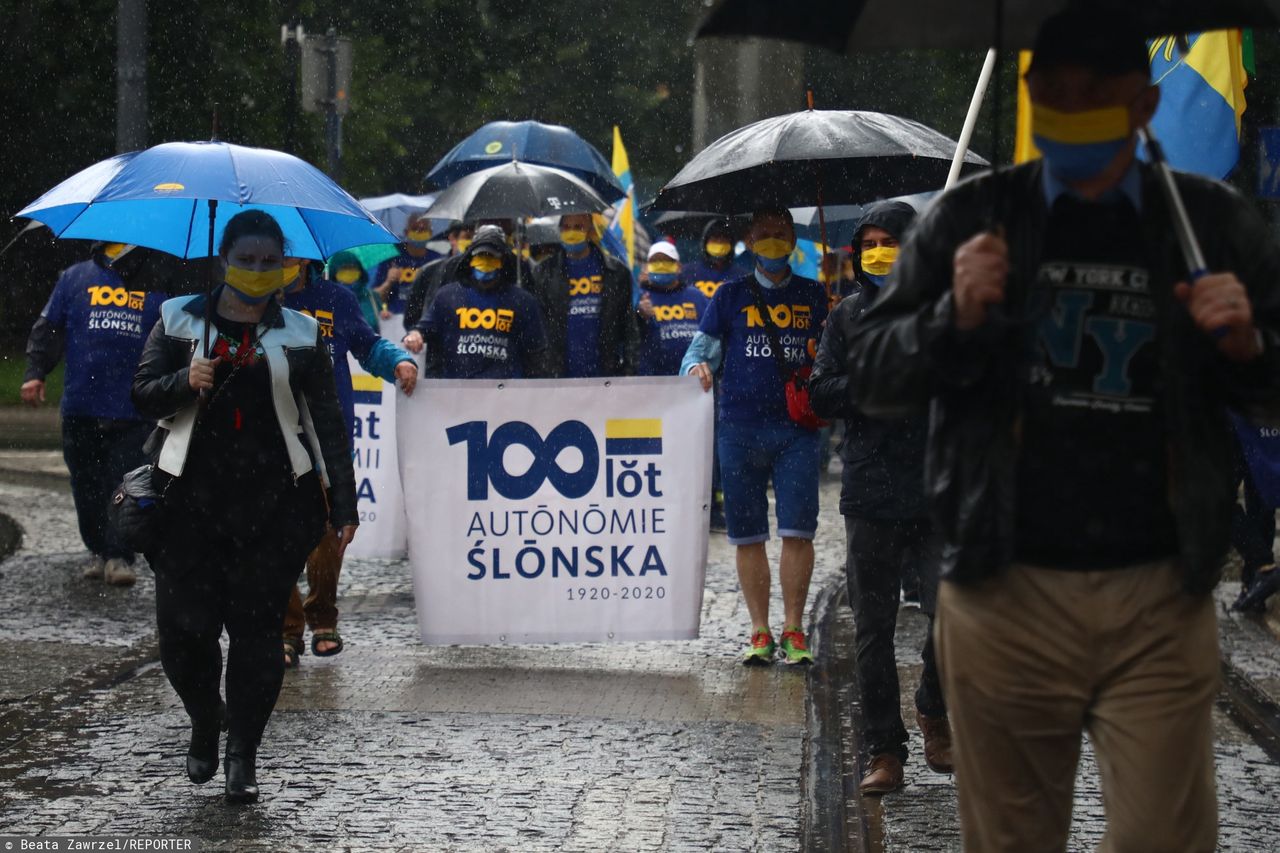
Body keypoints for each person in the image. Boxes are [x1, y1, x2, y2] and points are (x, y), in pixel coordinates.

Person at [844, 10, 1280, 850]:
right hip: (1003, 593)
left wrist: (1247, 344)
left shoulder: (1210, 225)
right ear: (1033, 94)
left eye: (1099, 96)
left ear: (1144, 104)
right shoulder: (967, 220)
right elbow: (871, 375)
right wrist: (950, 315)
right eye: (1059, 93)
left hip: (1158, 593)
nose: (1075, 110)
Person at [132, 210, 358, 804]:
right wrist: (186, 379)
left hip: (273, 508)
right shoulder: (178, 318)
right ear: (224, 260)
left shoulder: (305, 333)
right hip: (187, 507)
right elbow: (141, 394)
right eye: (246, 260)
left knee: (257, 634)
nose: (258, 273)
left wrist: (345, 507)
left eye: (269, 262)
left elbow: (328, 425)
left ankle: (243, 755)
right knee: (184, 635)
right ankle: (207, 722)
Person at [809, 200, 951, 795]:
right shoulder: (844, 317)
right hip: (871, 490)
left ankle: (933, 705)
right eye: (868, 242)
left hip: (935, 488)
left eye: (889, 241)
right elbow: (822, 392)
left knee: (952, 616)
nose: (877, 251)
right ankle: (885, 749)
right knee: (873, 626)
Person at [681, 208, 829, 665]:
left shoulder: (816, 296)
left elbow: (833, 357)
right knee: (747, 536)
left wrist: (840, 329)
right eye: (763, 235)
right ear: (749, 239)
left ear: (793, 240)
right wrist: (695, 368)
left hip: (797, 432)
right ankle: (760, 631)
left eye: (780, 234)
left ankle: (795, 631)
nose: (772, 242)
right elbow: (695, 354)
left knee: (798, 532)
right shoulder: (729, 296)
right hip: (738, 429)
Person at [280, 260, 418, 666]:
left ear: (308, 259)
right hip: (274, 437)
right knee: (278, 539)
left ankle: (323, 615)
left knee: (329, 534)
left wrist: (396, 362)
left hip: (331, 438)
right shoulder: (261, 303)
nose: (282, 263)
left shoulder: (336, 299)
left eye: (289, 256)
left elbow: (366, 344)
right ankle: (285, 630)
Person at [22, 243, 167, 586]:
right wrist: (34, 372)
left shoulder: (156, 285)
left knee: (124, 484)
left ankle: (119, 555)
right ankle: (98, 548)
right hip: (81, 406)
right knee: (85, 485)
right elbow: (49, 327)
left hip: (133, 408)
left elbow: (170, 341)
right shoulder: (75, 279)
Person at [403, 225, 548, 379]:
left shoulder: (523, 301)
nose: (485, 262)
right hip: (456, 391)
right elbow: (423, 328)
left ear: (503, 261)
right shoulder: (447, 296)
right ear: (470, 259)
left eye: (491, 257)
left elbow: (536, 352)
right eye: (481, 256)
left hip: (505, 393)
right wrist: (415, 335)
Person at [529, 212, 637, 377]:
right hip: (558, 375)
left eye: (578, 227)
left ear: (591, 230)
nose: (572, 232)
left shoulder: (615, 272)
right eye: (566, 227)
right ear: (559, 230)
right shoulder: (543, 273)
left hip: (605, 374)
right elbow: (538, 329)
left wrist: (629, 370)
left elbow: (629, 327)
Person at [635, 241, 708, 376]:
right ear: (647, 266)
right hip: (652, 380)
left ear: (679, 267)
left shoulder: (696, 296)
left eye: (667, 261)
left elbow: (710, 334)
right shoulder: (639, 297)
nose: (661, 265)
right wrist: (639, 315)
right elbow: (628, 337)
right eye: (656, 261)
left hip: (692, 378)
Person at [404, 221, 475, 329]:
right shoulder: (430, 272)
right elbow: (412, 319)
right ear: (452, 238)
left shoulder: (485, 274)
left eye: (476, 237)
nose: (472, 242)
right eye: (468, 237)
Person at [372, 214, 441, 320]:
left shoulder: (438, 261)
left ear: (430, 233)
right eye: (415, 229)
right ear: (406, 232)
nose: (419, 232)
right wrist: (388, 282)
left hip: (426, 321)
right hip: (394, 321)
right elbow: (375, 299)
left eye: (423, 229)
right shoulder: (391, 259)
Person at [683, 218, 751, 300]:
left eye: (724, 239)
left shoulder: (742, 277)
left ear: (731, 244)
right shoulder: (688, 272)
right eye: (715, 238)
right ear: (705, 242)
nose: (719, 243)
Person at [327, 250, 381, 332]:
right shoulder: (327, 299)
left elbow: (381, 325)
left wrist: (386, 317)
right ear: (334, 272)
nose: (348, 272)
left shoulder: (372, 297)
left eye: (352, 267)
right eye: (344, 268)